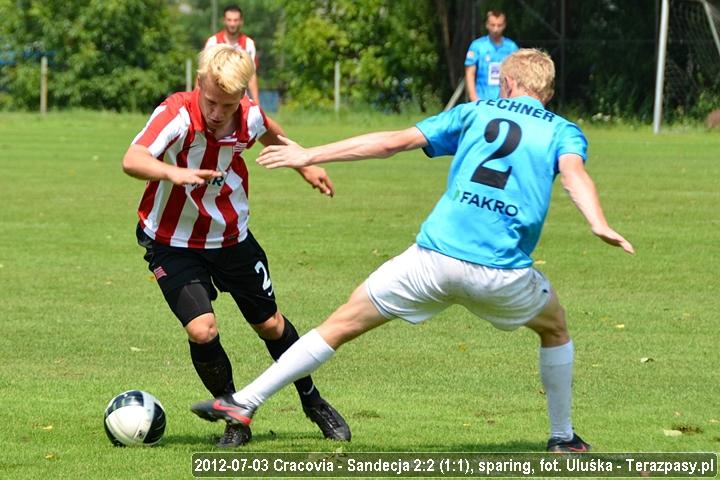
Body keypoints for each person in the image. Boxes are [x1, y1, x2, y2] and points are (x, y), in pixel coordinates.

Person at [190, 49, 635, 452]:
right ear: (548, 92)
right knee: (555, 328)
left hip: (432, 261)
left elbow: (390, 142)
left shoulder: (476, 112)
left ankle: (245, 401)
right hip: (503, 275)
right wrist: (598, 223)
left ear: (506, 84)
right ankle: (562, 438)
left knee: (341, 323)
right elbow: (575, 175)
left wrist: (309, 154)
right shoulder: (562, 130)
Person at [122, 44, 351, 448]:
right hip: (171, 241)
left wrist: (307, 166)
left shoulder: (248, 115)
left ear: (241, 99)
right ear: (199, 84)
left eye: (226, 105)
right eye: (210, 101)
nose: (216, 112)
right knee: (202, 328)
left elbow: (274, 135)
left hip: (231, 238)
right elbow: (133, 158)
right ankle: (236, 418)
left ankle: (312, 401)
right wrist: (172, 173)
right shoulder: (176, 113)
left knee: (270, 325)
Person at [206, 5, 260, 105]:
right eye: (229, 20)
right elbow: (204, 71)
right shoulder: (213, 42)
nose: (232, 24)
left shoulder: (248, 44)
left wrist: (256, 103)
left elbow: (251, 75)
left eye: (235, 20)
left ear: (241, 21)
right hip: (217, 98)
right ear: (224, 21)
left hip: (240, 99)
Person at [465, 10, 519, 102]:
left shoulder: (511, 47)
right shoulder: (477, 45)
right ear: (487, 25)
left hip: (504, 102)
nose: (496, 29)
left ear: (504, 25)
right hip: (482, 100)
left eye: (499, 25)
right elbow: (470, 73)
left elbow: (518, 74)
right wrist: (474, 98)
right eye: (493, 25)